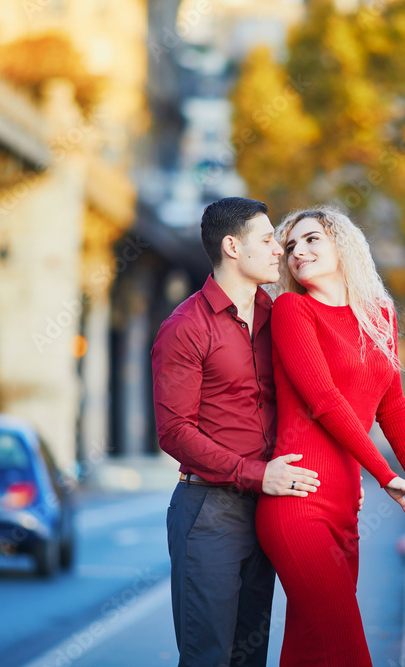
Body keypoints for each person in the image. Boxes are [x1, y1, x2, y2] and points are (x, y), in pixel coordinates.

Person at [256, 206, 405, 666]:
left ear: (342, 244)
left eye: (311, 240)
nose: (298, 252)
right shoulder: (292, 309)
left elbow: (393, 406)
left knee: (309, 648)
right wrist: (387, 476)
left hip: (345, 510)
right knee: (346, 649)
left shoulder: (379, 316)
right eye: (290, 247)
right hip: (298, 505)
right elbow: (323, 399)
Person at [151, 197, 322, 667]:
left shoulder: (282, 318)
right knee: (208, 657)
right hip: (209, 512)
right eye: (267, 240)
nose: (279, 251)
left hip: (269, 511)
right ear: (232, 246)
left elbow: (315, 400)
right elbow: (174, 432)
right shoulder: (186, 327)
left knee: (251, 657)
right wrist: (254, 474)